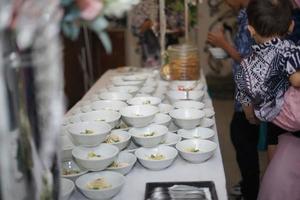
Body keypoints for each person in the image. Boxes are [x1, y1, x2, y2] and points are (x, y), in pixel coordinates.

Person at [234, 0, 300, 198]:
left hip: (274, 116)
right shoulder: (289, 49)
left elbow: (245, 100)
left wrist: (252, 117)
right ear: (291, 26)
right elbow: (296, 80)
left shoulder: (246, 64)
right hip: (294, 114)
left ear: (250, 30)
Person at [207, 0, 260, 199]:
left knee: (242, 139)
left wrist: (222, 43)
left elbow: (247, 59)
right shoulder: (245, 14)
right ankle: (248, 184)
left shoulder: (251, 16)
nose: (226, 2)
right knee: (243, 139)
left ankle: (251, 191)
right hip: (244, 91)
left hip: (250, 94)